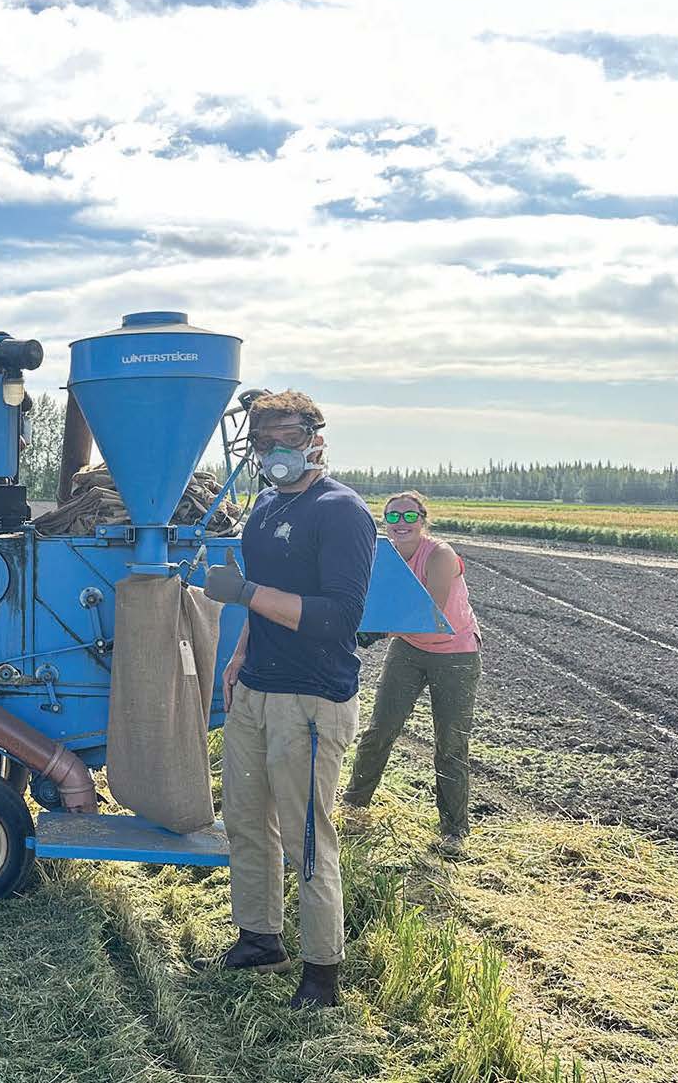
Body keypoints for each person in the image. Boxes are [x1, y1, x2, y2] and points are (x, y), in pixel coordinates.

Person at [202, 390, 374, 1009]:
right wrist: (242, 652)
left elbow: (338, 616)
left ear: (315, 441)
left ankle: (322, 970)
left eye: (285, 440)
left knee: (306, 835)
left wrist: (246, 594)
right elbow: (266, 594)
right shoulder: (267, 506)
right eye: (263, 441)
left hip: (311, 698)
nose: (273, 452)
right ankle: (260, 937)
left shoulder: (342, 512)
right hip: (256, 689)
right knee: (247, 821)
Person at [342, 491, 483, 854]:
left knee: (450, 743)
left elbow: (426, 610)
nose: (401, 524)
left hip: (455, 653)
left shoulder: (440, 555)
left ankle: (454, 831)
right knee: (380, 729)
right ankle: (353, 806)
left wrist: (376, 629)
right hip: (409, 647)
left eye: (409, 516)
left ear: (423, 520)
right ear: (385, 522)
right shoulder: (381, 555)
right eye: (393, 517)